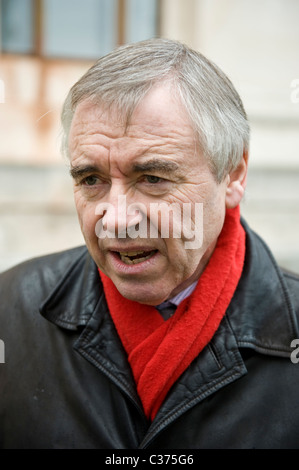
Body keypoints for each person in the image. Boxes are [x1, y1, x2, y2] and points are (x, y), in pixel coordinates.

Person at [1, 38, 299, 450]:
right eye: (91, 179)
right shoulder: (10, 308)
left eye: (153, 178)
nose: (117, 218)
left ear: (233, 175)